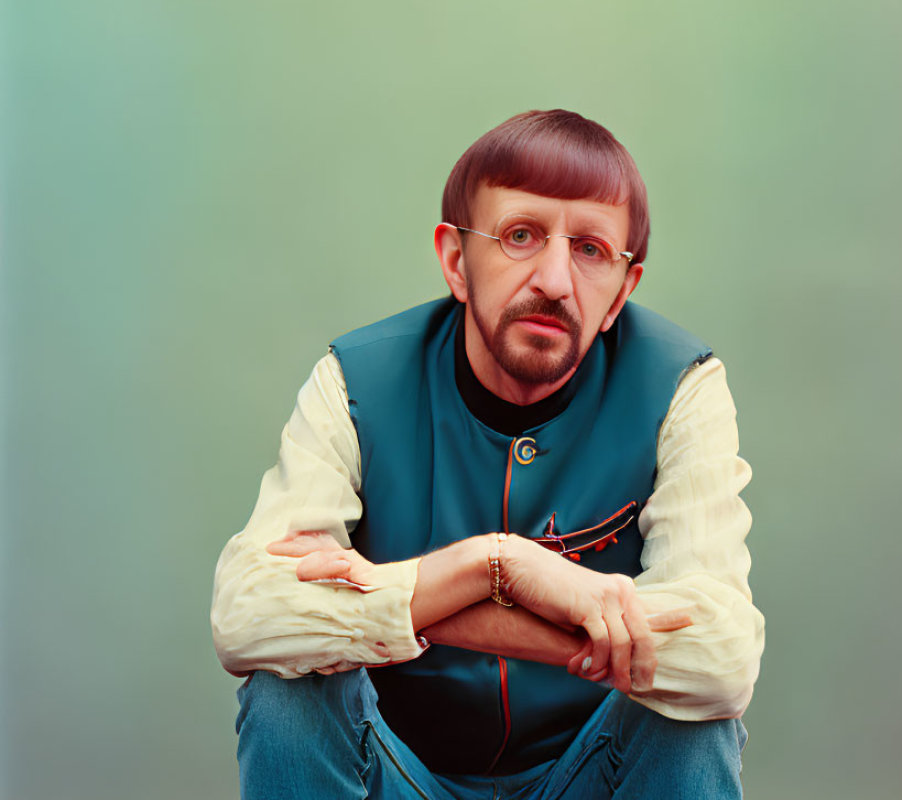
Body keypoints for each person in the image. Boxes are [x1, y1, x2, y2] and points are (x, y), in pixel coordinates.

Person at [211, 109, 765, 799]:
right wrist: (497, 565)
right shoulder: (356, 381)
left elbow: (722, 662)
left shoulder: (679, 385)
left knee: (694, 714)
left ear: (624, 290)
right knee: (286, 693)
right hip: (397, 778)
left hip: (589, 780)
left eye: (591, 249)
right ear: (456, 260)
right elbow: (246, 617)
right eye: (521, 236)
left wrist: (404, 602)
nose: (555, 280)